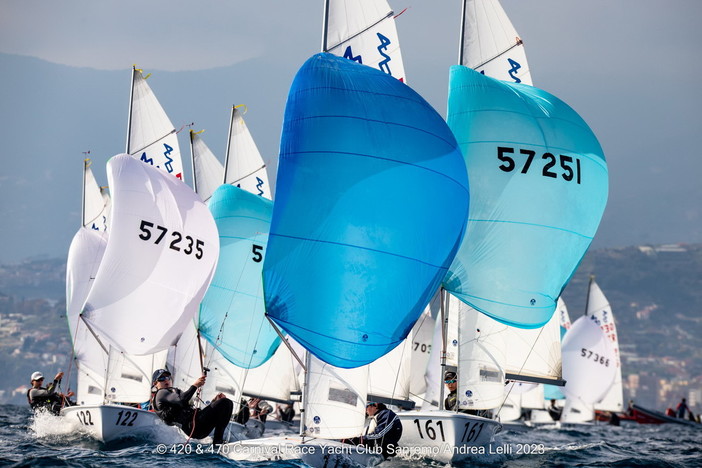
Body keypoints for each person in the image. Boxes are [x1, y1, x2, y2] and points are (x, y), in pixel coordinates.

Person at [151, 369, 233, 445]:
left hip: (197, 426)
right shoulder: (161, 393)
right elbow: (182, 400)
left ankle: (218, 442)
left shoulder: (172, 393)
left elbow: (187, 405)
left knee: (225, 404)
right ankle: (218, 442)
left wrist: (214, 403)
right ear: (155, 383)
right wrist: (195, 385)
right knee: (225, 402)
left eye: (168, 377)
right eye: (161, 378)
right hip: (193, 427)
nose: (166, 380)